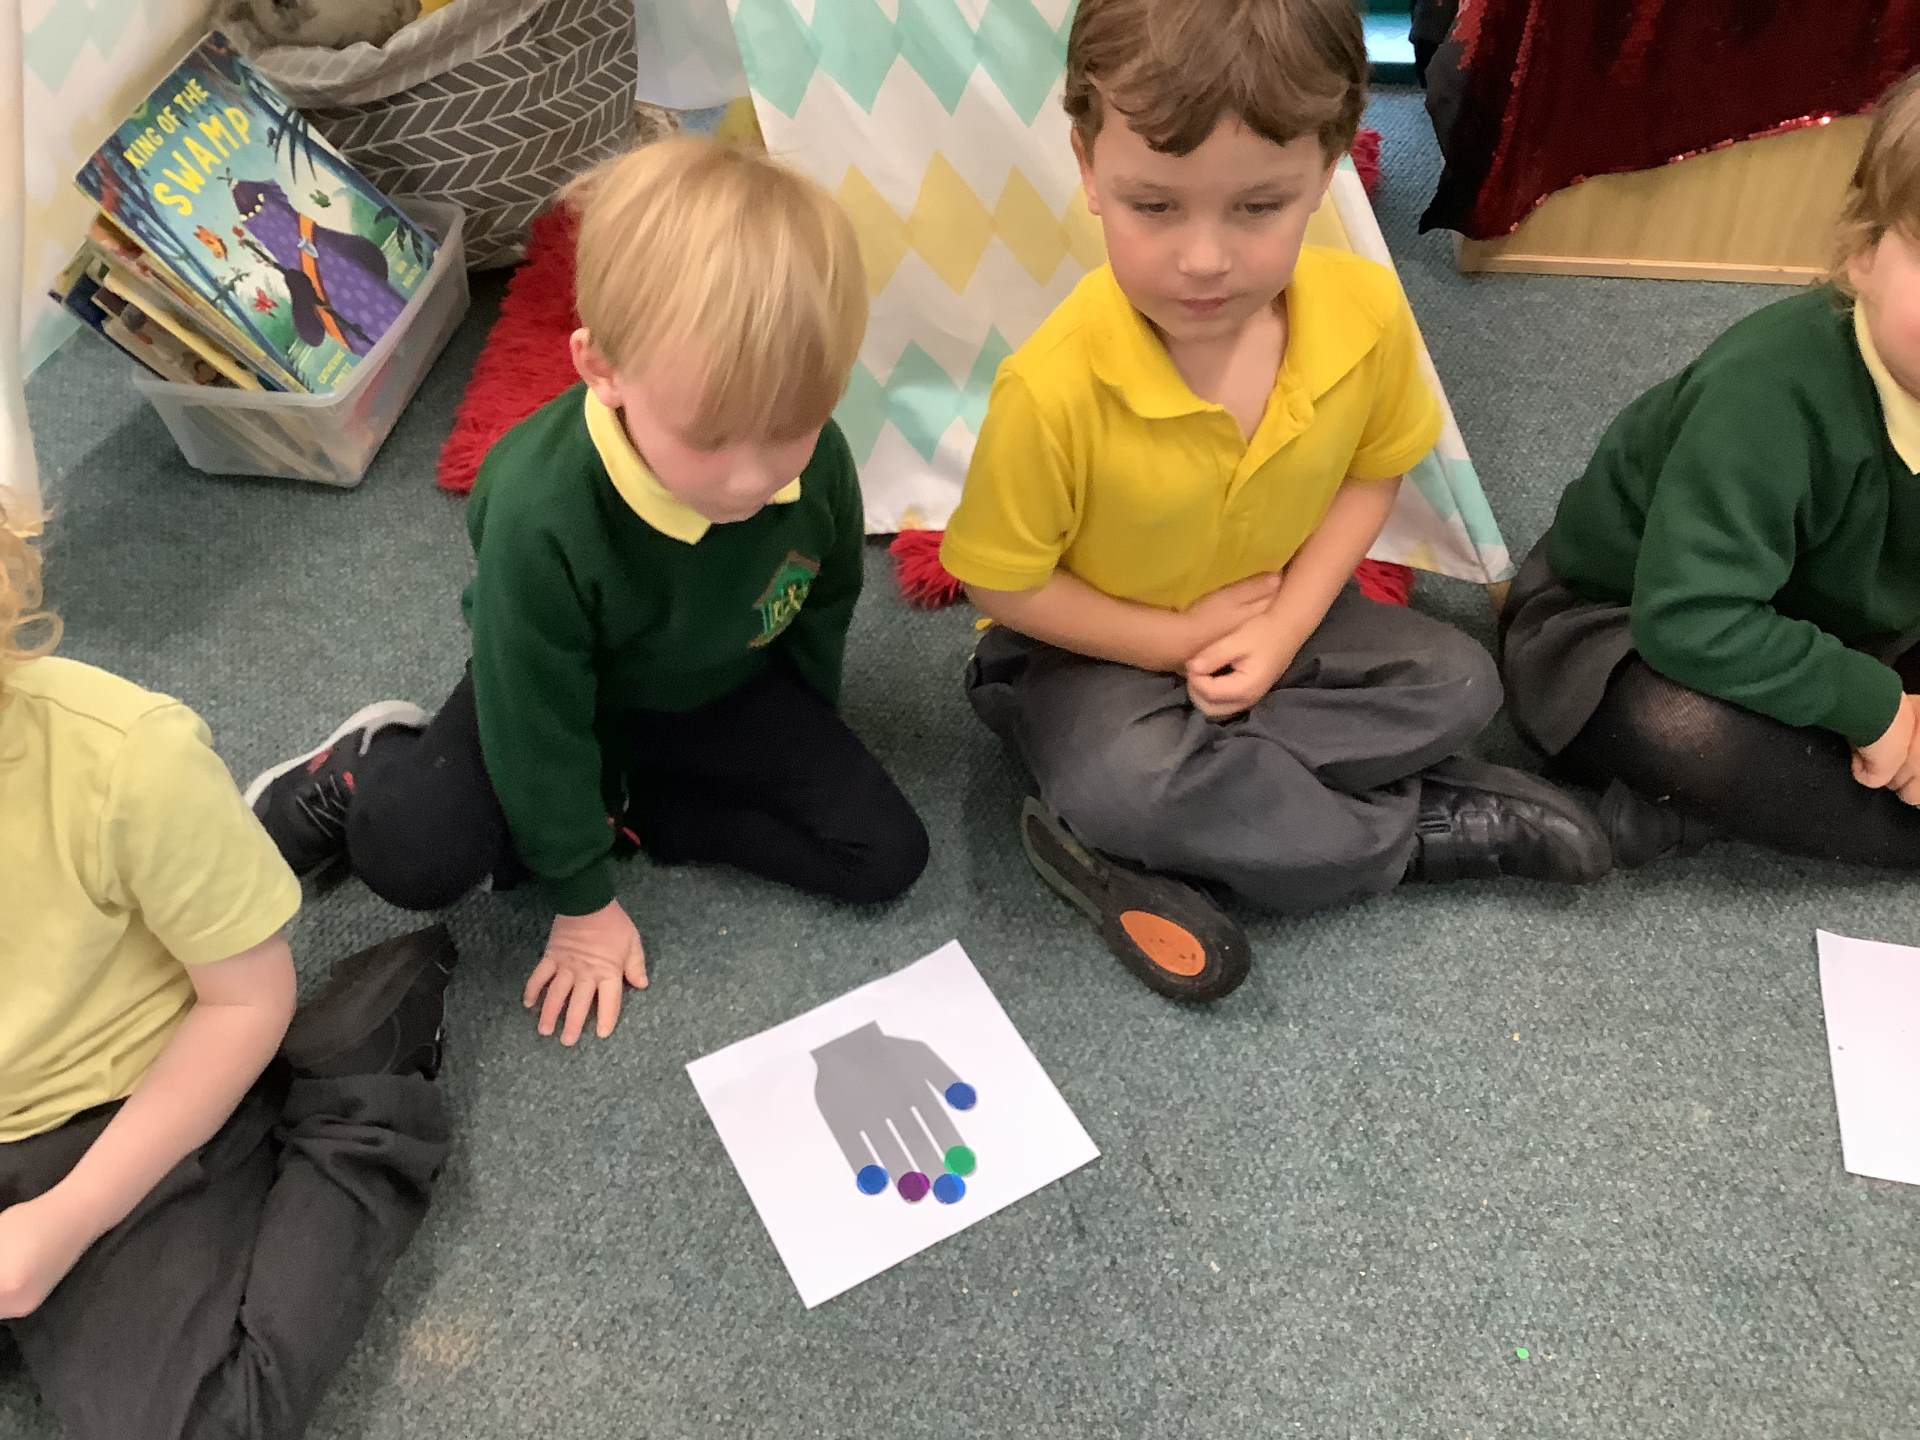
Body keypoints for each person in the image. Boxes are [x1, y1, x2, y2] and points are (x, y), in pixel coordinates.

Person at [939, 0, 1609, 999]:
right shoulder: (1050, 392)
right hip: (1091, 651)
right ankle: (1400, 834)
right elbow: (1002, 585)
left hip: (1275, 616)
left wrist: (1285, 626)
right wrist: (1175, 642)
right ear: (1087, 167)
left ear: (1330, 164)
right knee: (1126, 784)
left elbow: (1373, 474)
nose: (1205, 259)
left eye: (1257, 207)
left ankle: (1212, 806)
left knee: (1463, 683)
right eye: (1155, 206)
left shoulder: (1366, 312)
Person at [248, 137, 929, 1045]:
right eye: (712, 438)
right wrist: (583, 902)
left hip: (718, 688)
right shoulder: (540, 508)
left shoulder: (816, 461)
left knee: (886, 854)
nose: (754, 478)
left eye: (791, 429)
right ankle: (368, 760)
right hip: (559, 693)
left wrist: (811, 723)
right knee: (410, 854)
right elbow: (536, 713)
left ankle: (633, 809)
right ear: (601, 369)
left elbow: (825, 599)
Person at [0, 496, 453, 1440]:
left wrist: (70, 1215)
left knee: (209, 1425)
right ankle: (256, 847)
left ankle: (357, 1092)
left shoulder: (122, 756)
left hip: (124, 1094)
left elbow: (243, 1003)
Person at [1499, 69, 1920, 870]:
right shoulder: (1768, 392)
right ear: (1862, 251)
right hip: (1636, 623)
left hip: (1840, 620)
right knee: (1680, 730)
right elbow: (1691, 619)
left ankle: (1727, 800)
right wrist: (1882, 714)